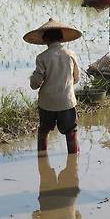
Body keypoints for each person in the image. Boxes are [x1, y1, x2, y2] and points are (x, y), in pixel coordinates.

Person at [24, 18, 82, 155]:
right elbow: (76, 78)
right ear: (61, 38)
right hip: (66, 101)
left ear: (45, 39)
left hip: (47, 102)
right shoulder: (71, 55)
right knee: (71, 132)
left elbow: (35, 84)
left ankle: (42, 156)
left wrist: (32, 78)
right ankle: (73, 162)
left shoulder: (42, 57)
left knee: (44, 130)